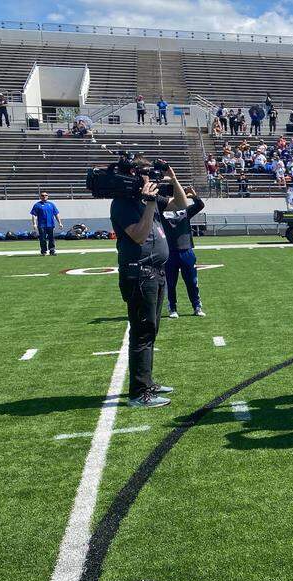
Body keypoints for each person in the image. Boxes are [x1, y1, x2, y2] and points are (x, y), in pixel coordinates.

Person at [109, 156, 188, 408]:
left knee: (150, 331)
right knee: (142, 333)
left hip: (155, 272)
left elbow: (181, 203)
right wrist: (150, 203)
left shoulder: (143, 199)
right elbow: (139, 235)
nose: (151, 179)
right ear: (134, 174)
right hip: (139, 273)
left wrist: (173, 177)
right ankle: (138, 393)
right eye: (147, 174)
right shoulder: (122, 203)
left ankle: (147, 381)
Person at [160, 182, 206, 318]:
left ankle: (197, 306)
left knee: (192, 282)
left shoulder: (185, 211)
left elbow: (200, 205)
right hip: (169, 252)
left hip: (186, 250)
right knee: (170, 283)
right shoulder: (160, 211)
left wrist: (194, 196)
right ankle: (172, 308)